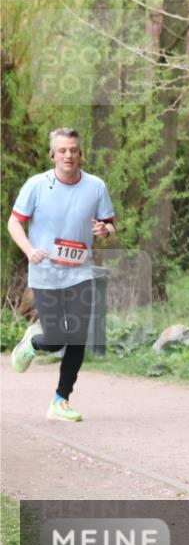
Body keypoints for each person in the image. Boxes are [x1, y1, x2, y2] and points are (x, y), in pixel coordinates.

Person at [8, 128, 117, 422]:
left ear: (81, 154)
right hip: (45, 273)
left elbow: (109, 224)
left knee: (78, 337)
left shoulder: (96, 187)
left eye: (73, 150)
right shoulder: (36, 185)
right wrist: (29, 250)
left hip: (80, 273)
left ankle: (60, 400)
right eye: (62, 150)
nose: (68, 155)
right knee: (56, 339)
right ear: (53, 154)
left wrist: (105, 230)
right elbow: (14, 223)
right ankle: (34, 343)